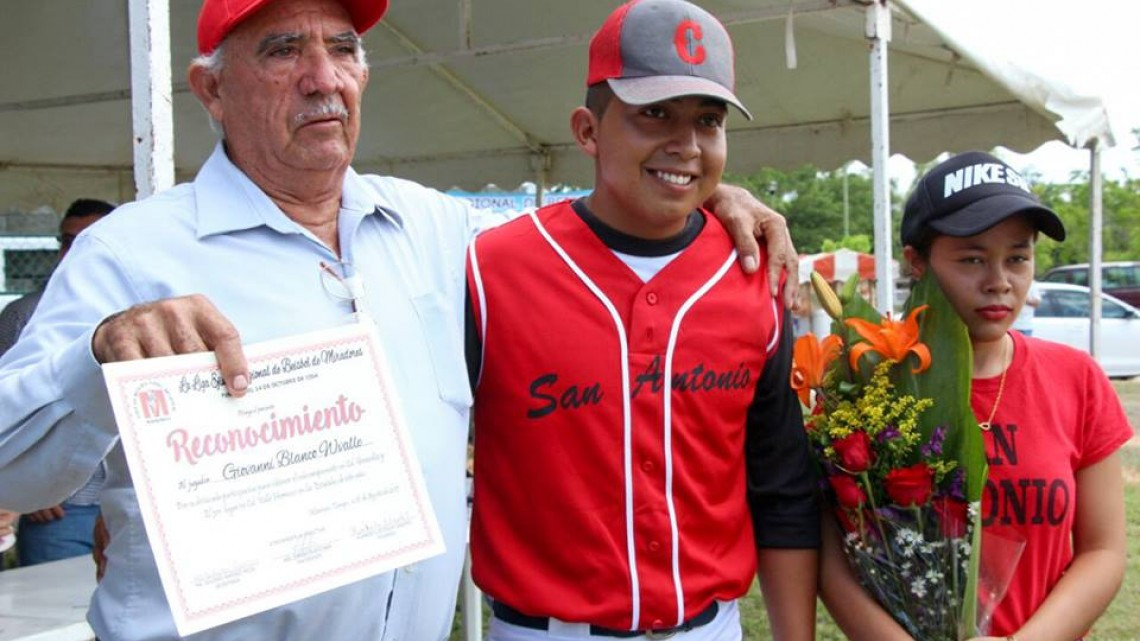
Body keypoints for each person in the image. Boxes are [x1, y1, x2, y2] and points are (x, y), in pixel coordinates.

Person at [0, 1, 799, 639]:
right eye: (283, 51)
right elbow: (9, 466)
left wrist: (701, 197)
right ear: (210, 88)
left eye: (343, 50)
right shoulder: (132, 251)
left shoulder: (435, 231)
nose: (323, 79)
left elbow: (592, 235)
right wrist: (96, 358)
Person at [466, 2, 819, 639]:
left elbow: (783, 489)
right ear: (587, 130)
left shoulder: (753, 275)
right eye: (653, 113)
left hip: (709, 627)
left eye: (707, 121)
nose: (685, 144)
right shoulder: (490, 270)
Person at [819, 151, 1131, 641]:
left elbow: (1104, 550)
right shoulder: (863, 383)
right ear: (916, 261)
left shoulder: (1077, 379)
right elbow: (833, 562)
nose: (999, 282)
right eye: (972, 259)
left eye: (1017, 257)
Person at [0, 198, 114, 567]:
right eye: (67, 241)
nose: (73, 251)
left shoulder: (153, 306)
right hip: (60, 511)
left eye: (87, 240)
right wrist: (30, 490)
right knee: (53, 619)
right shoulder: (22, 315)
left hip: (130, 501)